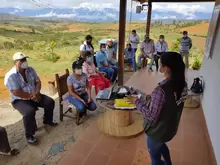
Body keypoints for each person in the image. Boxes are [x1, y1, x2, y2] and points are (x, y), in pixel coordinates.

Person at [127, 52, 188, 165]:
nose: (159, 67)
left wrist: (136, 102)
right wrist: (153, 98)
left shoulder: (161, 90)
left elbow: (151, 116)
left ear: (166, 68)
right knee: (162, 145)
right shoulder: (183, 84)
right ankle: (168, 163)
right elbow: (171, 103)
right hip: (171, 127)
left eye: (161, 65)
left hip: (157, 131)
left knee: (155, 158)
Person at [4, 52, 57, 145]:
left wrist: (36, 93)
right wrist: (30, 96)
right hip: (19, 99)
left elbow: (38, 82)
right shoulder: (11, 75)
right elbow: (16, 92)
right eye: (22, 60)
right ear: (15, 62)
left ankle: (47, 120)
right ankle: (29, 135)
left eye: (25, 59)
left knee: (50, 102)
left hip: (34, 94)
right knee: (29, 112)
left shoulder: (30, 69)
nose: (25, 61)